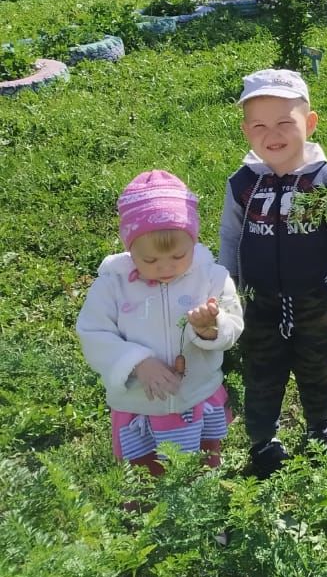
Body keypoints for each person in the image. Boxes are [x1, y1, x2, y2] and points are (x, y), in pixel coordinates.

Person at [218, 69, 327, 478]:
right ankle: (263, 442)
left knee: (318, 365)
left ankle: (321, 426)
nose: (273, 134)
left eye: (285, 122)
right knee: (261, 370)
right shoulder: (242, 184)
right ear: (247, 131)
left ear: (310, 122)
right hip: (258, 302)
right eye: (260, 126)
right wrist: (226, 293)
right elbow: (229, 240)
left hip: (315, 298)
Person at [77, 170, 244, 476]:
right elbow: (93, 333)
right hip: (140, 404)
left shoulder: (210, 276)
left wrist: (211, 328)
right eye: (150, 261)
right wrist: (137, 362)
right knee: (145, 476)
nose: (166, 267)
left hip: (196, 395)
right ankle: (147, 520)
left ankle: (204, 521)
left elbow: (233, 322)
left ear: (193, 240)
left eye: (179, 255)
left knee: (202, 469)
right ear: (130, 249)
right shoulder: (113, 284)